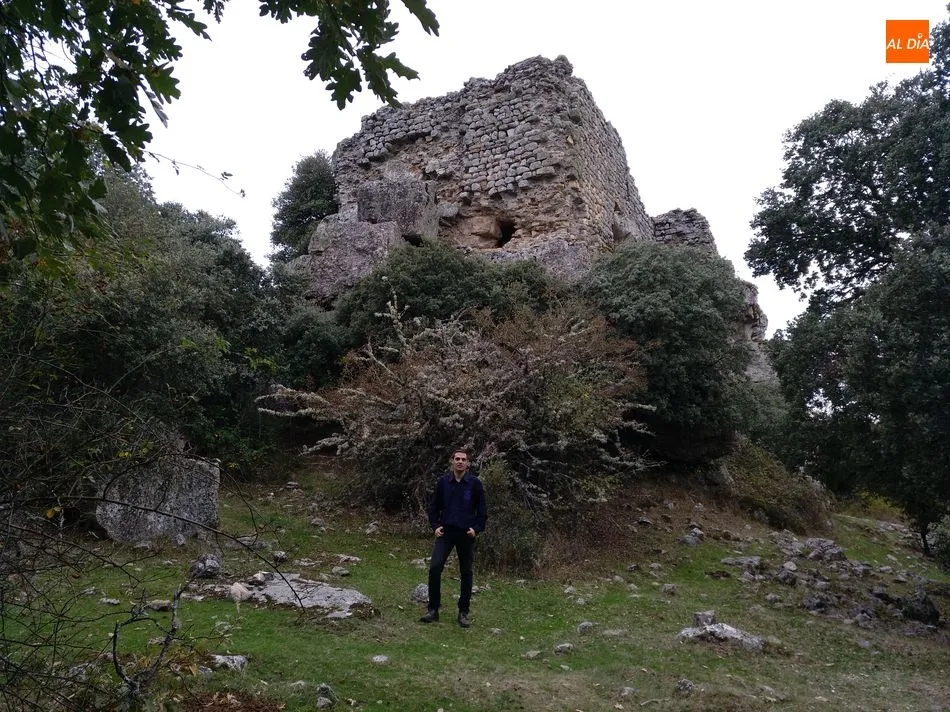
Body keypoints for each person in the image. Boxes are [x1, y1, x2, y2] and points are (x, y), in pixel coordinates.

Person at [420, 448, 487, 627]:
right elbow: (433, 507)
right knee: (435, 567)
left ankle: (463, 612)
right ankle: (433, 609)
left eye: (463, 459)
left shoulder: (474, 484)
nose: (460, 462)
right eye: (457, 458)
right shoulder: (443, 482)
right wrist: (435, 526)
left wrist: (476, 529)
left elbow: (482, 511)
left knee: (466, 572)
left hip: (466, 533)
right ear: (452, 461)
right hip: (446, 532)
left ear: (468, 463)